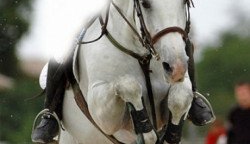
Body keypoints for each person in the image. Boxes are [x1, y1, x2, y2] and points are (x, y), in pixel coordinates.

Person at [31, 38, 215, 143]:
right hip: (98, 14)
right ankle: (51, 113)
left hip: (138, 9)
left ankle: (192, 97)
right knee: (60, 50)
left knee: (181, 40)